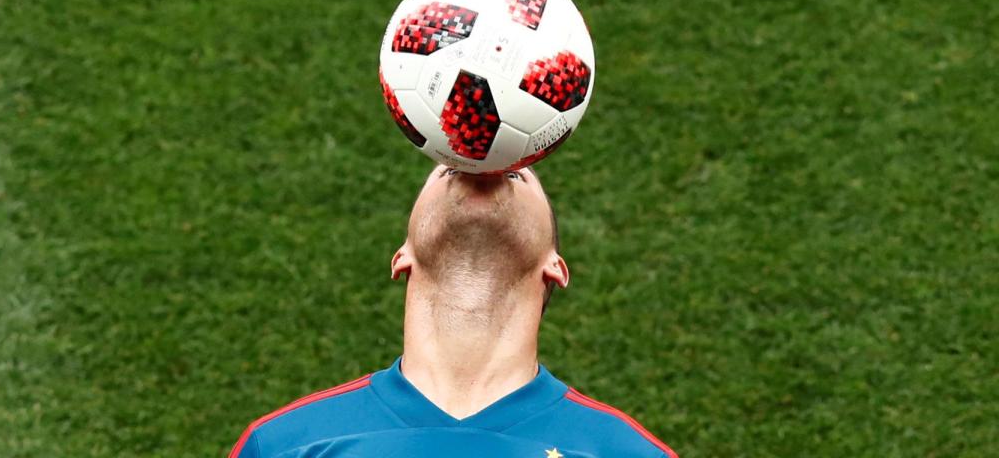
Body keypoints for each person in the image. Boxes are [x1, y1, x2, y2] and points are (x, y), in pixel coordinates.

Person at [228, 164, 677, 458]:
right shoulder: (282, 446)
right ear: (402, 256)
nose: (486, 163)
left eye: (517, 168)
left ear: (555, 267)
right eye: (451, 163)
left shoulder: (626, 452)